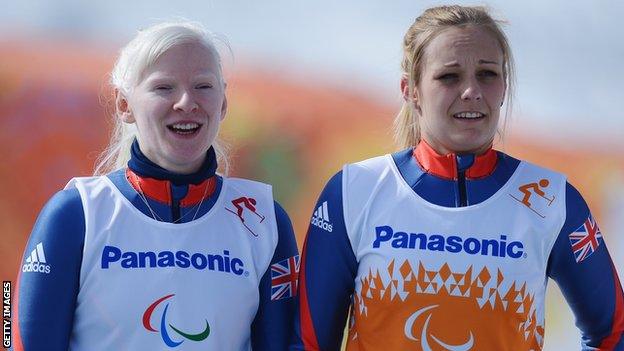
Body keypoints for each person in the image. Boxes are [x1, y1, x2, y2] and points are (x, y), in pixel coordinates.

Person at [292, 5, 623, 351]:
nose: (471, 91)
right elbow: (308, 343)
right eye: (449, 76)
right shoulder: (354, 191)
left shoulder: (553, 200)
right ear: (410, 90)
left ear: (504, 86)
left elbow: (614, 334)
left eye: (487, 74)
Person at [14, 21, 298, 350]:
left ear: (222, 102)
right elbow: (14, 332)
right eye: (164, 88)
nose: (186, 102)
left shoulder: (263, 220)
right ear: (124, 105)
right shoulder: (76, 213)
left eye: (203, 86)